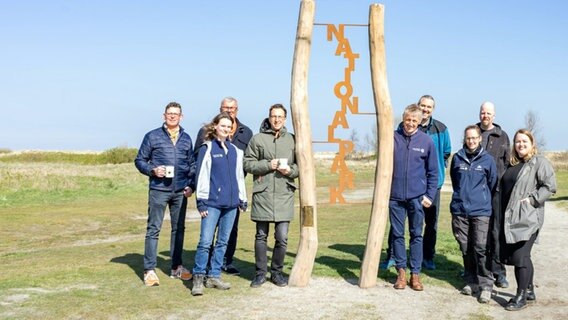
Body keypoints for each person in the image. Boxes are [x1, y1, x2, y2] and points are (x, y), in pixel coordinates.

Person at [381, 94, 450, 271]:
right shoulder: (396, 134)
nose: (410, 123)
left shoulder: (438, 131)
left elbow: (441, 158)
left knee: (424, 228)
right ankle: (397, 263)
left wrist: (429, 191)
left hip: (423, 191)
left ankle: (423, 263)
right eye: (423, 106)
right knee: (396, 232)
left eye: (429, 107)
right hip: (397, 194)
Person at [134, 102, 195, 287]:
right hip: (159, 190)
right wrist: (153, 170)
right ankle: (149, 270)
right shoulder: (152, 136)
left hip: (180, 191)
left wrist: (191, 185)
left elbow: (191, 164)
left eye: (176, 114)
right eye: (169, 114)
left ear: (181, 117)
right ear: (164, 116)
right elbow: (139, 160)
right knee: (154, 229)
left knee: (179, 230)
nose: (172, 116)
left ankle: (176, 267)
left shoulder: (186, 138)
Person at [190, 112, 247, 296]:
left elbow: (239, 177)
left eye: (229, 127)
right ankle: (198, 277)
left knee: (223, 242)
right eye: (223, 125)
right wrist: (201, 202)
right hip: (212, 203)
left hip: (231, 205)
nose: (226, 129)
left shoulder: (236, 152)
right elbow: (202, 176)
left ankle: (214, 276)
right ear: (215, 126)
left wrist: (242, 198)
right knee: (205, 242)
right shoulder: (207, 148)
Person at [499, 129, 556, 311]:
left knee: (520, 256)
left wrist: (532, 200)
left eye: (524, 141)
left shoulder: (539, 162)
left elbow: (550, 186)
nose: (521, 144)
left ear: (532, 144)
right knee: (522, 256)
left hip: (528, 217)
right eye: (517, 141)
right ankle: (529, 290)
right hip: (511, 218)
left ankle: (521, 296)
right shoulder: (512, 163)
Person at [244, 103, 299, 288]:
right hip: (263, 194)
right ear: (269, 118)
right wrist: (269, 165)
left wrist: (289, 170)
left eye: (280, 117)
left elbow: (300, 167)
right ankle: (260, 274)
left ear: (285, 119)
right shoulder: (257, 139)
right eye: (273, 116)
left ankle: (277, 273)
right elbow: (247, 164)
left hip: (285, 194)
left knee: (282, 237)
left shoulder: (292, 139)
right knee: (261, 235)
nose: (276, 120)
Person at [390, 104, 438, 291]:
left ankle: (415, 275)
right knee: (397, 234)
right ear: (403, 118)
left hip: (417, 197)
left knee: (416, 235)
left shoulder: (426, 141)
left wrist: (429, 196)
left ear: (420, 121)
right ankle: (401, 273)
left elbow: (433, 172)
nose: (410, 123)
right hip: (395, 197)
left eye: (414, 121)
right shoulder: (393, 138)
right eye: (407, 119)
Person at [450, 125, 497, 304]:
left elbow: (492, 184)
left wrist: (480, 198)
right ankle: (471, 281)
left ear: (479, 139)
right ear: (465, 139)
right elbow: (456, 182)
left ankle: (486, 285)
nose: (471, 141)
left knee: (480, 247)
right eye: (468, 138)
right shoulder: (458, 158)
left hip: (481, 211)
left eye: (474, 138)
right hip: (460, 210)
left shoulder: (487, 160)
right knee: (465, 247)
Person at [476, 101, 511, 288]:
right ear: (479, 114)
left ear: (494, 116)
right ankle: (475, 269)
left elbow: (507, 164)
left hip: (496, 192)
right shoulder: (473, 133)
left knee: (496, 232)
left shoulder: (502, 136)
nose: (485, 115)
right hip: (476, 192)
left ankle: (498, 272)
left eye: (488, 113)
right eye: (483, 112)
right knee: (476, 232)